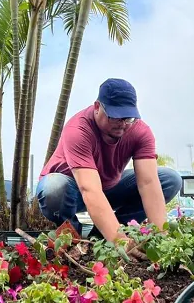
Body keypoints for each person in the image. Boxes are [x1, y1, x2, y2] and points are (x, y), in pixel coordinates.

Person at [37, 78, 183, 258]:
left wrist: (163, 240)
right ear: (97, 107)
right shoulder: (78, 130)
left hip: (109, 187)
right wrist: (120, 242)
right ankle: (73, 236)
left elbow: (148, 183)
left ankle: (102, 235)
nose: (122, 124)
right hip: (72, 190)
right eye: (115, 117)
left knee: (169, 179)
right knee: (54, 187)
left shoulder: (140, 131)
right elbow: (89, 189)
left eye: (128, 118)